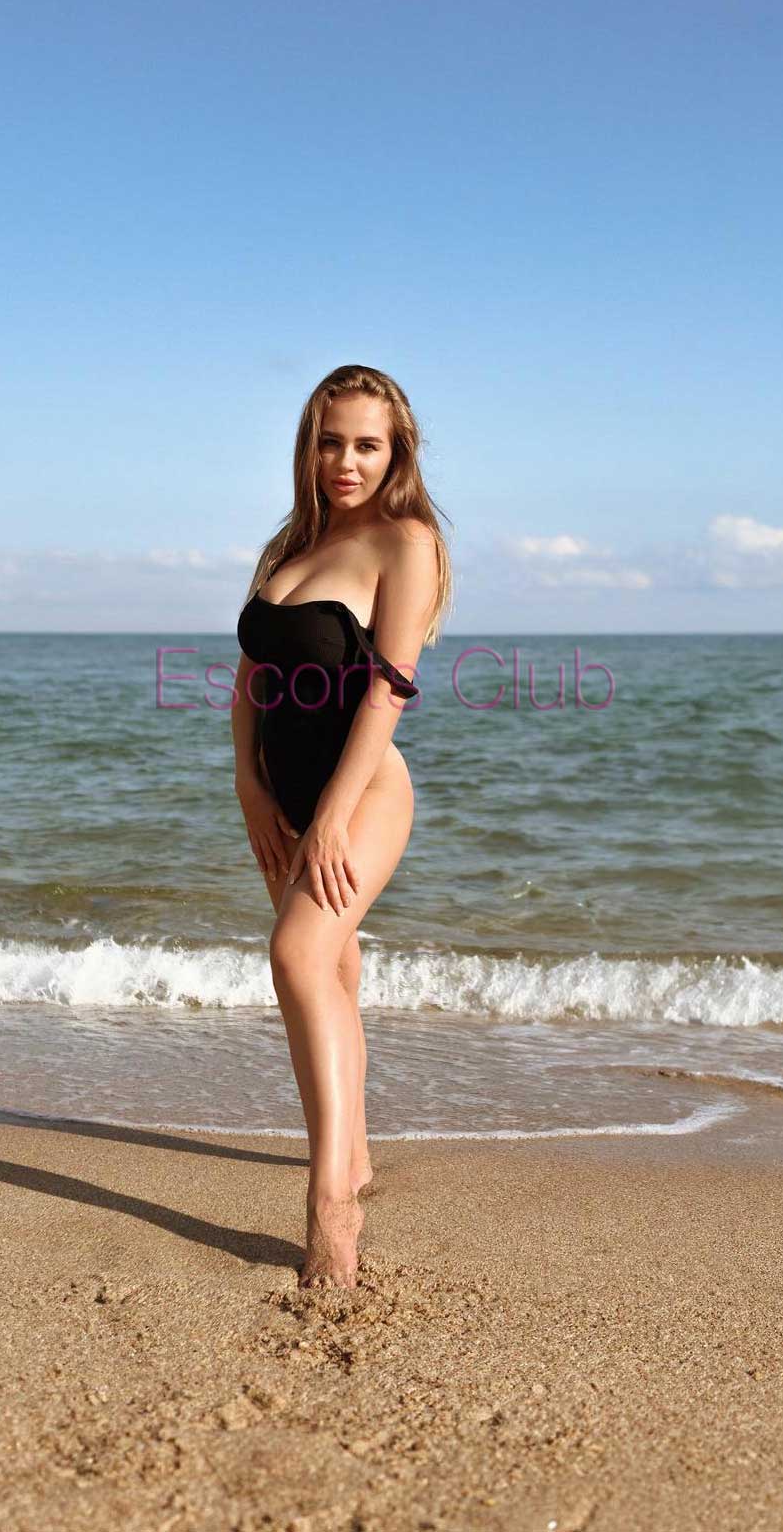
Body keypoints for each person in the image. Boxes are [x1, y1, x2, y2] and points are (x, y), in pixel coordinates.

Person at [233, 364, 452, 1288]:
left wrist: (328, 817)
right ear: (309, 446)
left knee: (296, 955)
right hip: (284, 797)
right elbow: (249, 678)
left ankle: (331, 1203)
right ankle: (353, 1152)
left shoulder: (408, 541)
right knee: (332, 967)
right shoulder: (294, 543)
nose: (346, 461)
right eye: (331, 442)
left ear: (397, 449)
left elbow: (387, 693)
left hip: (361, 794)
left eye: (367, 444)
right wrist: (251, 788)